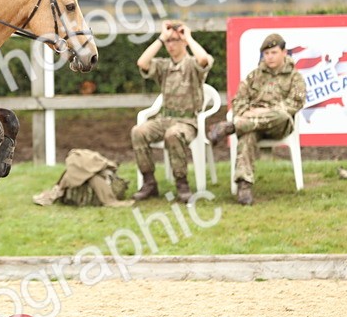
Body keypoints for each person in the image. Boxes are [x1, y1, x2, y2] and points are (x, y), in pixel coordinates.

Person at [208, 32, 307, 205]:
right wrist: (245, 112)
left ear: (284, 53)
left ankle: (231, 127)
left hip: (279, 125)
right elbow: (239, 99)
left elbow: (296, 103)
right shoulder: (254, 76)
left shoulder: (295, 77)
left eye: (274, 53)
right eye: (267, 53)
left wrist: (261, 113)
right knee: (247, 136)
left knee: (281, 114)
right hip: (252, 126)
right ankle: (244, 186)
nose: (270, 57)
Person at [130, 20, 213, 202]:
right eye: (169, 41)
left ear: (183, 42)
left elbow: (204, 60)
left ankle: (182, 183)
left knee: (173, 134)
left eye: (175, 40)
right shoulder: (164, 66)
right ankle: (149, 182)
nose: (171, 44)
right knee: (138, 131)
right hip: (165, 118)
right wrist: (161, 37)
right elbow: (142, 62)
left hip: (188, 121)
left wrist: (188, 37)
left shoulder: (192, 64)